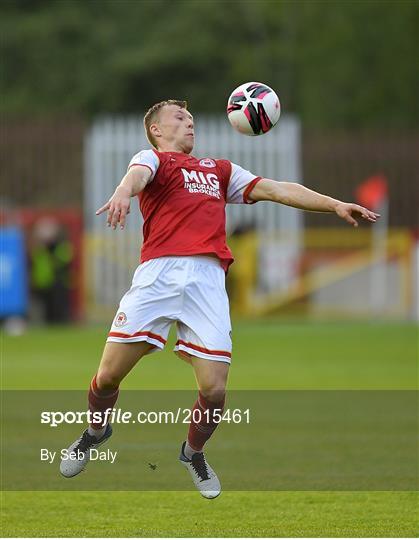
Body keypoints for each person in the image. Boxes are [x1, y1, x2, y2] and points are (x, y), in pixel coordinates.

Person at [60, 100, 379, 498]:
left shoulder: (220, 170)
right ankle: (95, 431)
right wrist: (123, 192)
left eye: (191, 118)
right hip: (158, 276)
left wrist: (333, 204)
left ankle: (192, 453)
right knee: (108, 375)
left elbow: (277, 188)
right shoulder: (154, 159)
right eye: (179, 117)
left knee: (214, 389)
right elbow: (136, 175)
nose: (189, 122)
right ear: (157, 130)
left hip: (207, 281)